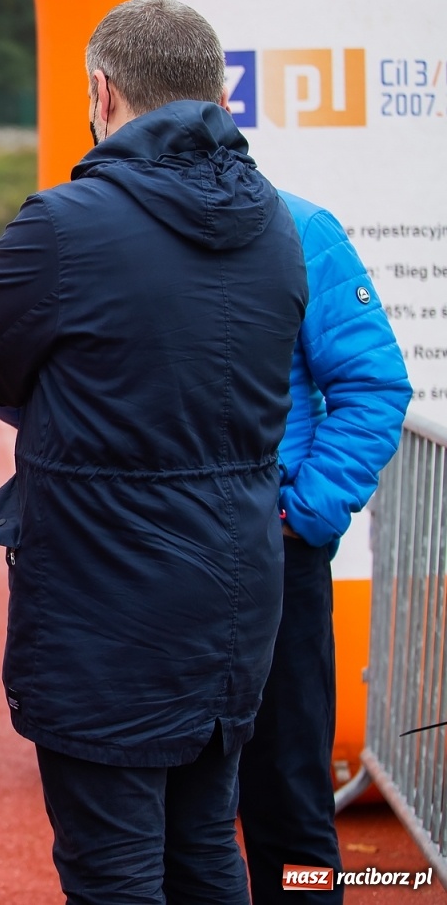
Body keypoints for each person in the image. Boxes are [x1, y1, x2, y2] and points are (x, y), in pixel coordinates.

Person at [0, 0, 307, 905]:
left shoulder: (68, 224)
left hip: (106, 593)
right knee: (208, 846)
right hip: (236, 592)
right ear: (218, 91)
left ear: (102, 91)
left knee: (113, 867)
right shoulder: (280, 224)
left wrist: (57, 400)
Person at [235, 193, 409, 903]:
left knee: (290, 807)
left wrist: (302, 515)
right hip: (148, 557)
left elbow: (373, 384)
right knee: (158, 811)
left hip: (275, 561)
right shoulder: (94, 225)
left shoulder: (299, 227)